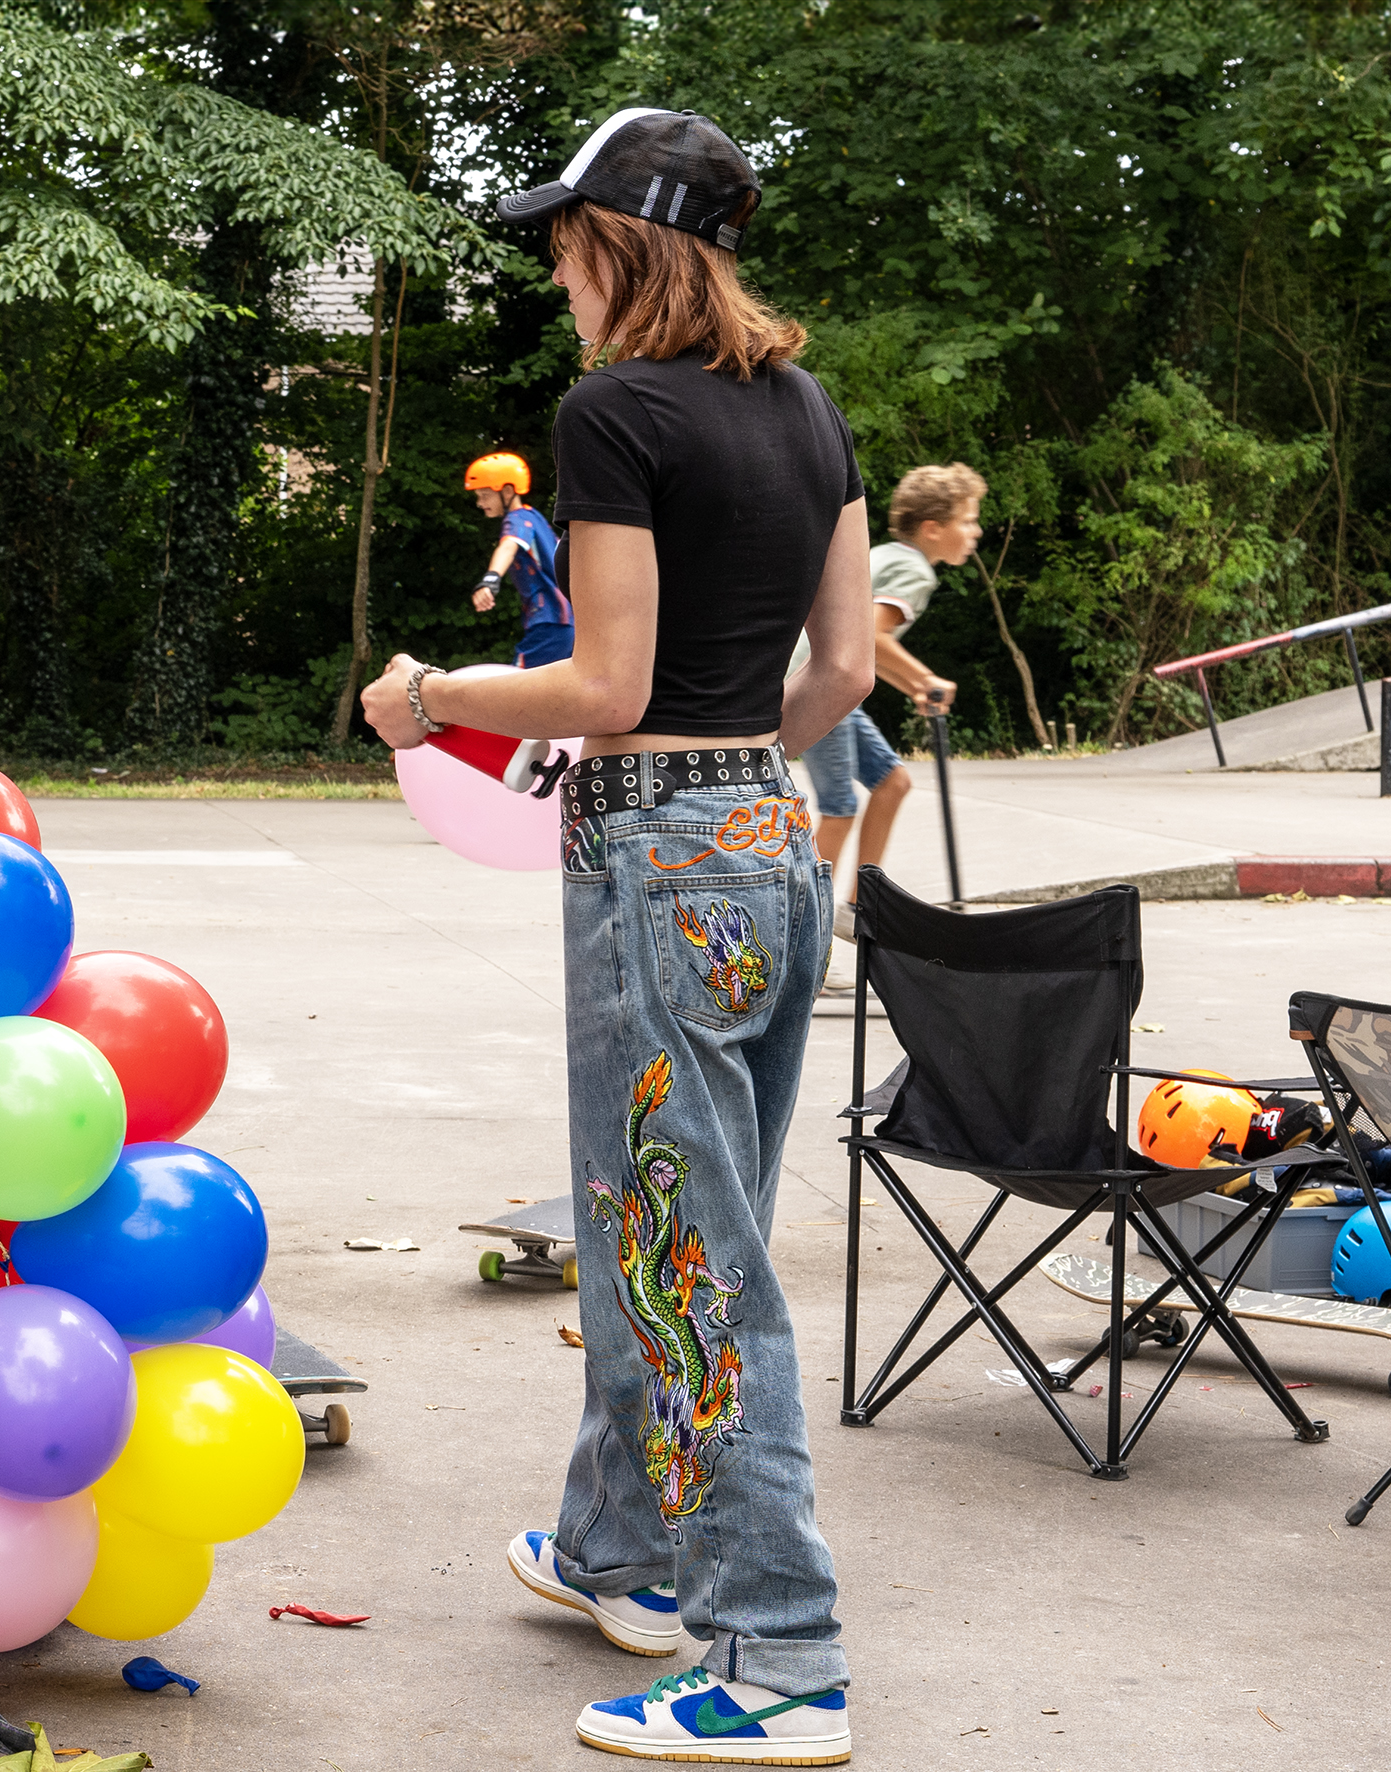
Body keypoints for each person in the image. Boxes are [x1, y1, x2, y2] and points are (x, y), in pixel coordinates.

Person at [362, 107, 872, 1764]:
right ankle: (622, 1550)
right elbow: (848, 670)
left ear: (619, 244)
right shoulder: (805, 408)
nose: (556, 279)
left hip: (661, 858)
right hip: (770, 843)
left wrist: (422, 696)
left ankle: (777, 1657)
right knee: (659, 1216)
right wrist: (736, 783)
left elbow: (602, 688)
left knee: (683, 1250)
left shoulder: (613, 412)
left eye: (564, 246)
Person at [792, 463, 984, 946]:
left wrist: (915, 689)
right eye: (967, 520)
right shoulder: (913, 569)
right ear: (933, 528)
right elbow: (870, 635)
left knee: (893, 782)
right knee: (838, 809)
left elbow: (868, 642)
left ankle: (857, 909)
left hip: (829, 678)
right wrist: (926, 677)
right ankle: (799, 936)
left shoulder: (891, 555)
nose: (976, 531)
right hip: (822, 683)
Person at [465, 451, 571, 667]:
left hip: (550, 621)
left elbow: (508, 546)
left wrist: (491, 579)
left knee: (517, 687)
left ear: (507, 491)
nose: (479, 502)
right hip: (566, 621)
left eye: (484, 494)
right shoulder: (534, 518)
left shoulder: (517, 519)